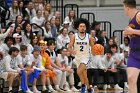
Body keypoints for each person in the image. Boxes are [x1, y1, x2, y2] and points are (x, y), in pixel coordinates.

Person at [68, 18, 94, 93]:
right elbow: (69, 47)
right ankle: (88, 88)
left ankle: (83, 85)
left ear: (86, 28)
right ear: (77, 27)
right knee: (84, 74)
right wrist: (71, 51)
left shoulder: (89, 37)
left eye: (84, 26)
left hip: (86, 57)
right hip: (77, 57)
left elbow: (93, 47)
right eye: (81, 26)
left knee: (79, 72)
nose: (82, 28)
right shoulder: (73, 36)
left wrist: (97, 50)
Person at [123, 0, 140, 93]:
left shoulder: (138, 15)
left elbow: (134, 32)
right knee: (131, 79)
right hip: (134, 53)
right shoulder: (131, 18)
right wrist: (127, 33)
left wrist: (132, 31)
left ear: (127, 8)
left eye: (124, 8)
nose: (124, 10)